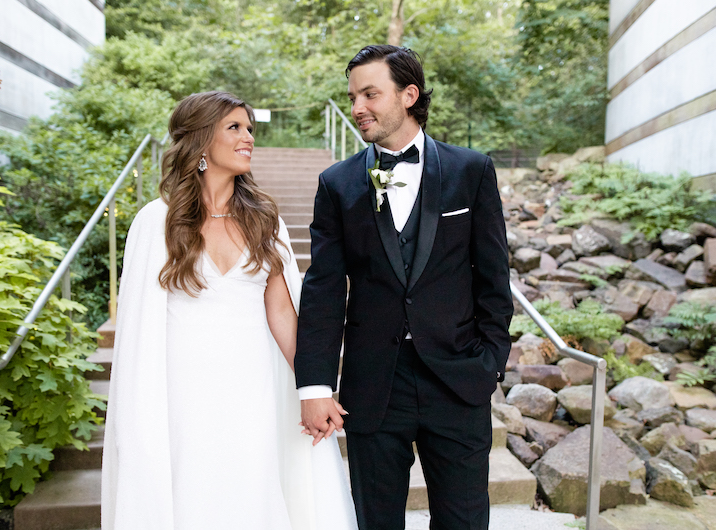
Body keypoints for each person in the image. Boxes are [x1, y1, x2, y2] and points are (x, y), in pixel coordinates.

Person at [101, 91, 357, 530]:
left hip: (256, 386)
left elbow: (281, 313)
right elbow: (140, 329)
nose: (248, 138)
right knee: (192, 494)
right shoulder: (155, 221)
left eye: (250, 129)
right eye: (234, 128)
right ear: (200, 140)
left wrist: (313, 389)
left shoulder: (264, 219)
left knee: (255, 491)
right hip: (182, 391)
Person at [295, 46, 513, 530]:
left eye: (370, 94)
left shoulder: (471, 170)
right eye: (352, 96)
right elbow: (324, 290)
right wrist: (314, 385)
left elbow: (494, 278)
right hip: (373, 386)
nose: (357, 108)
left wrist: (491, 361)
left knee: (464, 522)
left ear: (408, 94)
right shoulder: (336, 183)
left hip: (458, 381)